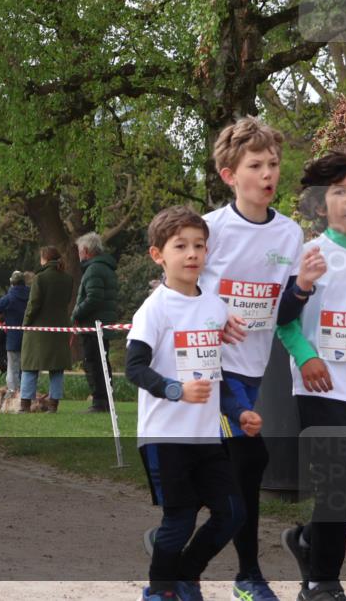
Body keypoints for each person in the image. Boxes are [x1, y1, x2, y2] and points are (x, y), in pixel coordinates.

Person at [200, 117, 324, 601]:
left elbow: (284, 313)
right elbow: (176, 288)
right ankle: (248, 576)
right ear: (231, 175)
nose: (268, 173)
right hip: (210, 367)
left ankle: (180, 548)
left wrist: (304, 287)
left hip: (252, 368)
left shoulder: (290, 235)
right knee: (252, 459)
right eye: (256, 165)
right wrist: (213, 313)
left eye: (273, 163)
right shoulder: (210, 229)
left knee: (229, 470)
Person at [126, 205, 260, 601]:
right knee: (180, 521)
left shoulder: (215, 307)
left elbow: (217, 374)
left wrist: (240, 412)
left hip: (206, 438)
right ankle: (161, 591)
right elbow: (134, 368)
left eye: (199, 245)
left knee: (232, 513)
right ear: (158, 255)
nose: (191, 254)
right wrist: (175, 390)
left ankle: (184, 575)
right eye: (180, 246)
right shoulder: (154, 309)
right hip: (164, 436)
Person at [276, 147, 346, 601]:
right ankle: (322, 582)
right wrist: (305, 355)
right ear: (321, 201)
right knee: (338, 485)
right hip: (321, 382)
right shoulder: (311, 252)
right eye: (340, 190)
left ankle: (308, 539)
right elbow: (283, 316)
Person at [19, 248, 73, 413]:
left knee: (30, 366)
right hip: (59, 328)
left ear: (44, 259)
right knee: (57, 369)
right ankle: (53, 405)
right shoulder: (68, 279)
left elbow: (33, 304)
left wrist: (25, 323)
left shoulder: (40, 278)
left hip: (38, 329)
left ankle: (25, 405)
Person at [71, 232, 119, 413]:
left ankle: (99, 401)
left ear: (85, 250)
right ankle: (106, 400)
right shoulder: (105, 268)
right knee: (102, 363)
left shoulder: (93, 269)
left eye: (79, 251)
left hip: (92, 325)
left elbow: (93, 298)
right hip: (102, 323)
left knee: (93, 364)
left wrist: (76, 312)